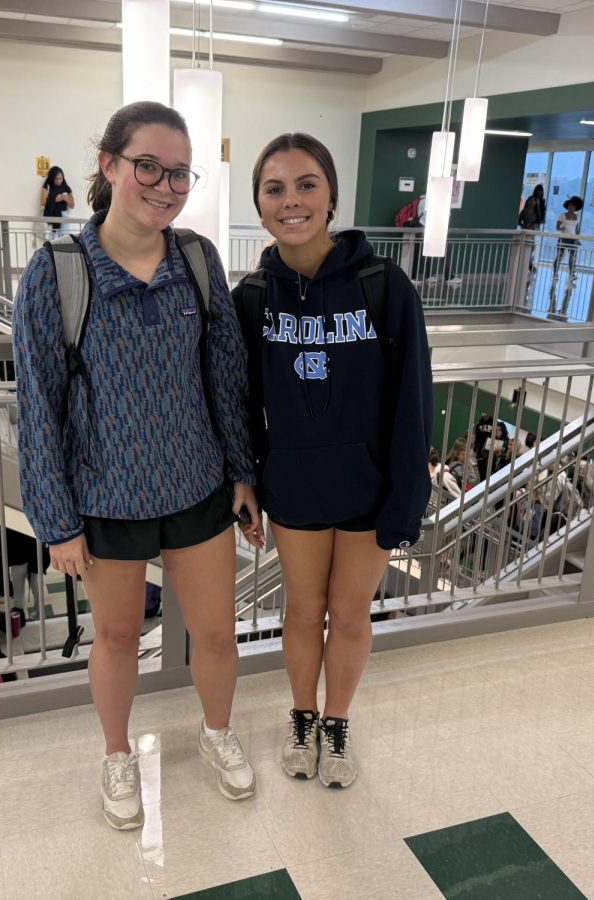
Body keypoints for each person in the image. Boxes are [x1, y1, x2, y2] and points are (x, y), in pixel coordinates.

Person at [12, 101, 262, 830]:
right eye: (148, 165)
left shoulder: (196, 260)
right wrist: (56, 519)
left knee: (215, 633)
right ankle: (117, 755)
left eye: (179, 172)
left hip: (197, 483)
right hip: (107, 494)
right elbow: (38, 406)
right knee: (118, 636)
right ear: (110, 166)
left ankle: (217, 734)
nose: (165, 184)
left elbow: (225, 376)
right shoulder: (57, 273)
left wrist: (242, 470)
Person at [236, 132, 432, 789]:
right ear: (260, 207)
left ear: (331, 196)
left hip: (369, 486)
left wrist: (409, 496)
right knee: (301, 609)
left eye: (306, 184)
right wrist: (246, 479)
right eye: (275, 188)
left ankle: (337, 723)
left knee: (349, 615)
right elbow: (240, 400)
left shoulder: (385, 287)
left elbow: (413, 399)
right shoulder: (254, 297)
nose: (291, 200)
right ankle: (302, 715)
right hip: (293, 485)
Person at [549, 196, 583, 320]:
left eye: (573, 206)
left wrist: (578, 239)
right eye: (570, 205)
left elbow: (577, 229)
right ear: (567, 206)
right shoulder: (562, 216)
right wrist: (562, 228)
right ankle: (555, 273)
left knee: (572, 258)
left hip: (572, 239)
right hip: (563, 238)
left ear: (576, 207)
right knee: (559, 256)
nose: (571, 208)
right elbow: (557, 227)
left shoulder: (577, 217)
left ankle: (572, 274)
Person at [40, 165, 76, 238]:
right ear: (51, 178)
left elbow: (72, 205)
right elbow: (42, 202)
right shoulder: (47, 186)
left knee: (64, 241)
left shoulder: (66, 188)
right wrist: (56, 199)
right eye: (56, 179)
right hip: (50, 217)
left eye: (60, 178)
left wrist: (66, 198)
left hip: (63, 218)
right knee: (51, 242)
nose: (59, 181)